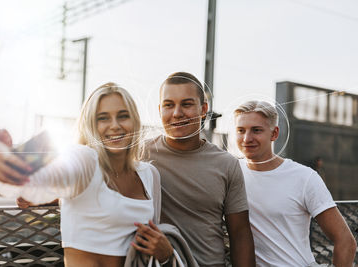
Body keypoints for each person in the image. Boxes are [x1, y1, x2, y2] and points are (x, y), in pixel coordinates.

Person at [0, 83, 173, 267]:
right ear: (91, 124)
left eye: (123, 116)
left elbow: (153, 237)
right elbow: (25, 182)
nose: (115, 125)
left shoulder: (149, 174)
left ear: (135, 121)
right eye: (103, 118)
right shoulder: (83, 160)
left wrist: (166, 254)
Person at [140, 72, 256, 267]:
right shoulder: (140, 155)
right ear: (160, 110)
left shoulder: (226, 164)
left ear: (203, 109)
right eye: (169, 105)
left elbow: (240, 233)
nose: (177, 113)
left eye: (186, 104)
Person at [233, 100, 357, 267]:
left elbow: (345, 241)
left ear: (274, 133)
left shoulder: (303, 177)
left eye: (256, 130)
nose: (247, 138)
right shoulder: (230, 173)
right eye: (241, 130)